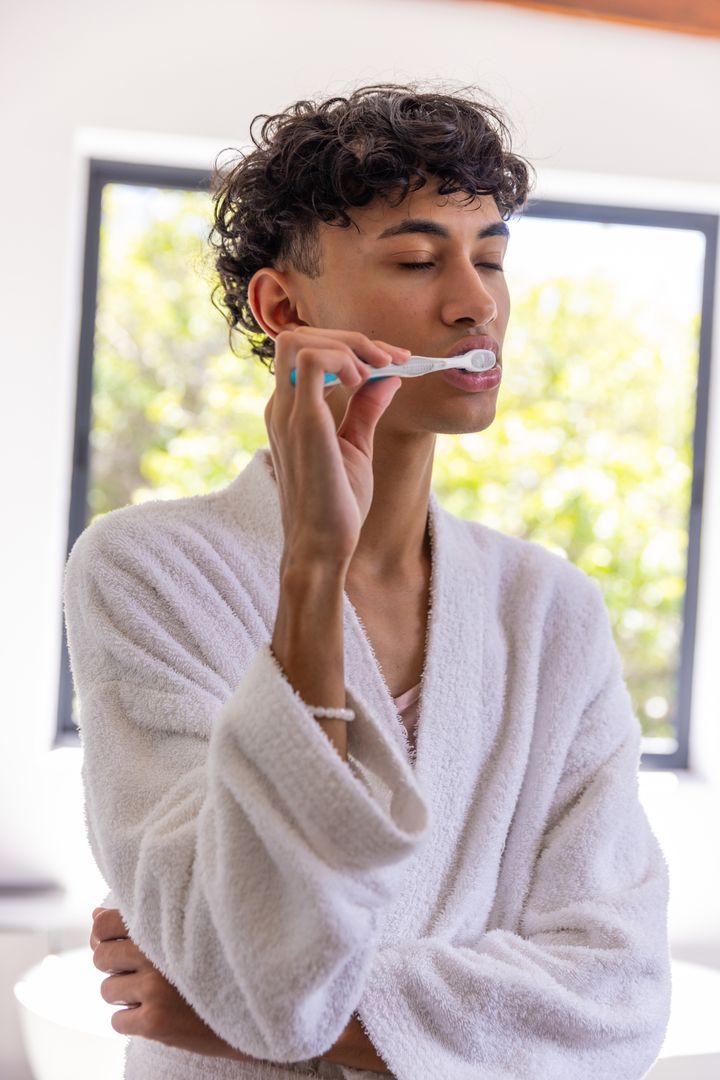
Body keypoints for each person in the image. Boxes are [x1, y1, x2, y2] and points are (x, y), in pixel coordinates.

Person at [64, 83, 672, 1080]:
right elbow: (247, 964)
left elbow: (617, 1002)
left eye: (490, 258)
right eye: (418, 257)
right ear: (283, 305)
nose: (476, 301)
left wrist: (246, 1013)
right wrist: (311, 567)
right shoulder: (148, 571)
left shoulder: (551, 613)